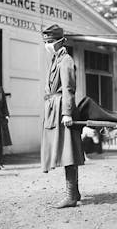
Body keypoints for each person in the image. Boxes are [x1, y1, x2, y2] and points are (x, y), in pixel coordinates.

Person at [41, 24, 85, 208]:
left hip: (62, 110)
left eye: (50, 41)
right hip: (54, 109)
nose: (47, 45)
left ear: (59, 41)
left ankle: (71, 196)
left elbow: (68, 88)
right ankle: (75, 192)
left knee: (68, 154)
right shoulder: (55, 59)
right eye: (45, 41)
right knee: (64, 152)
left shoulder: (65, 60)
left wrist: (67, 113)